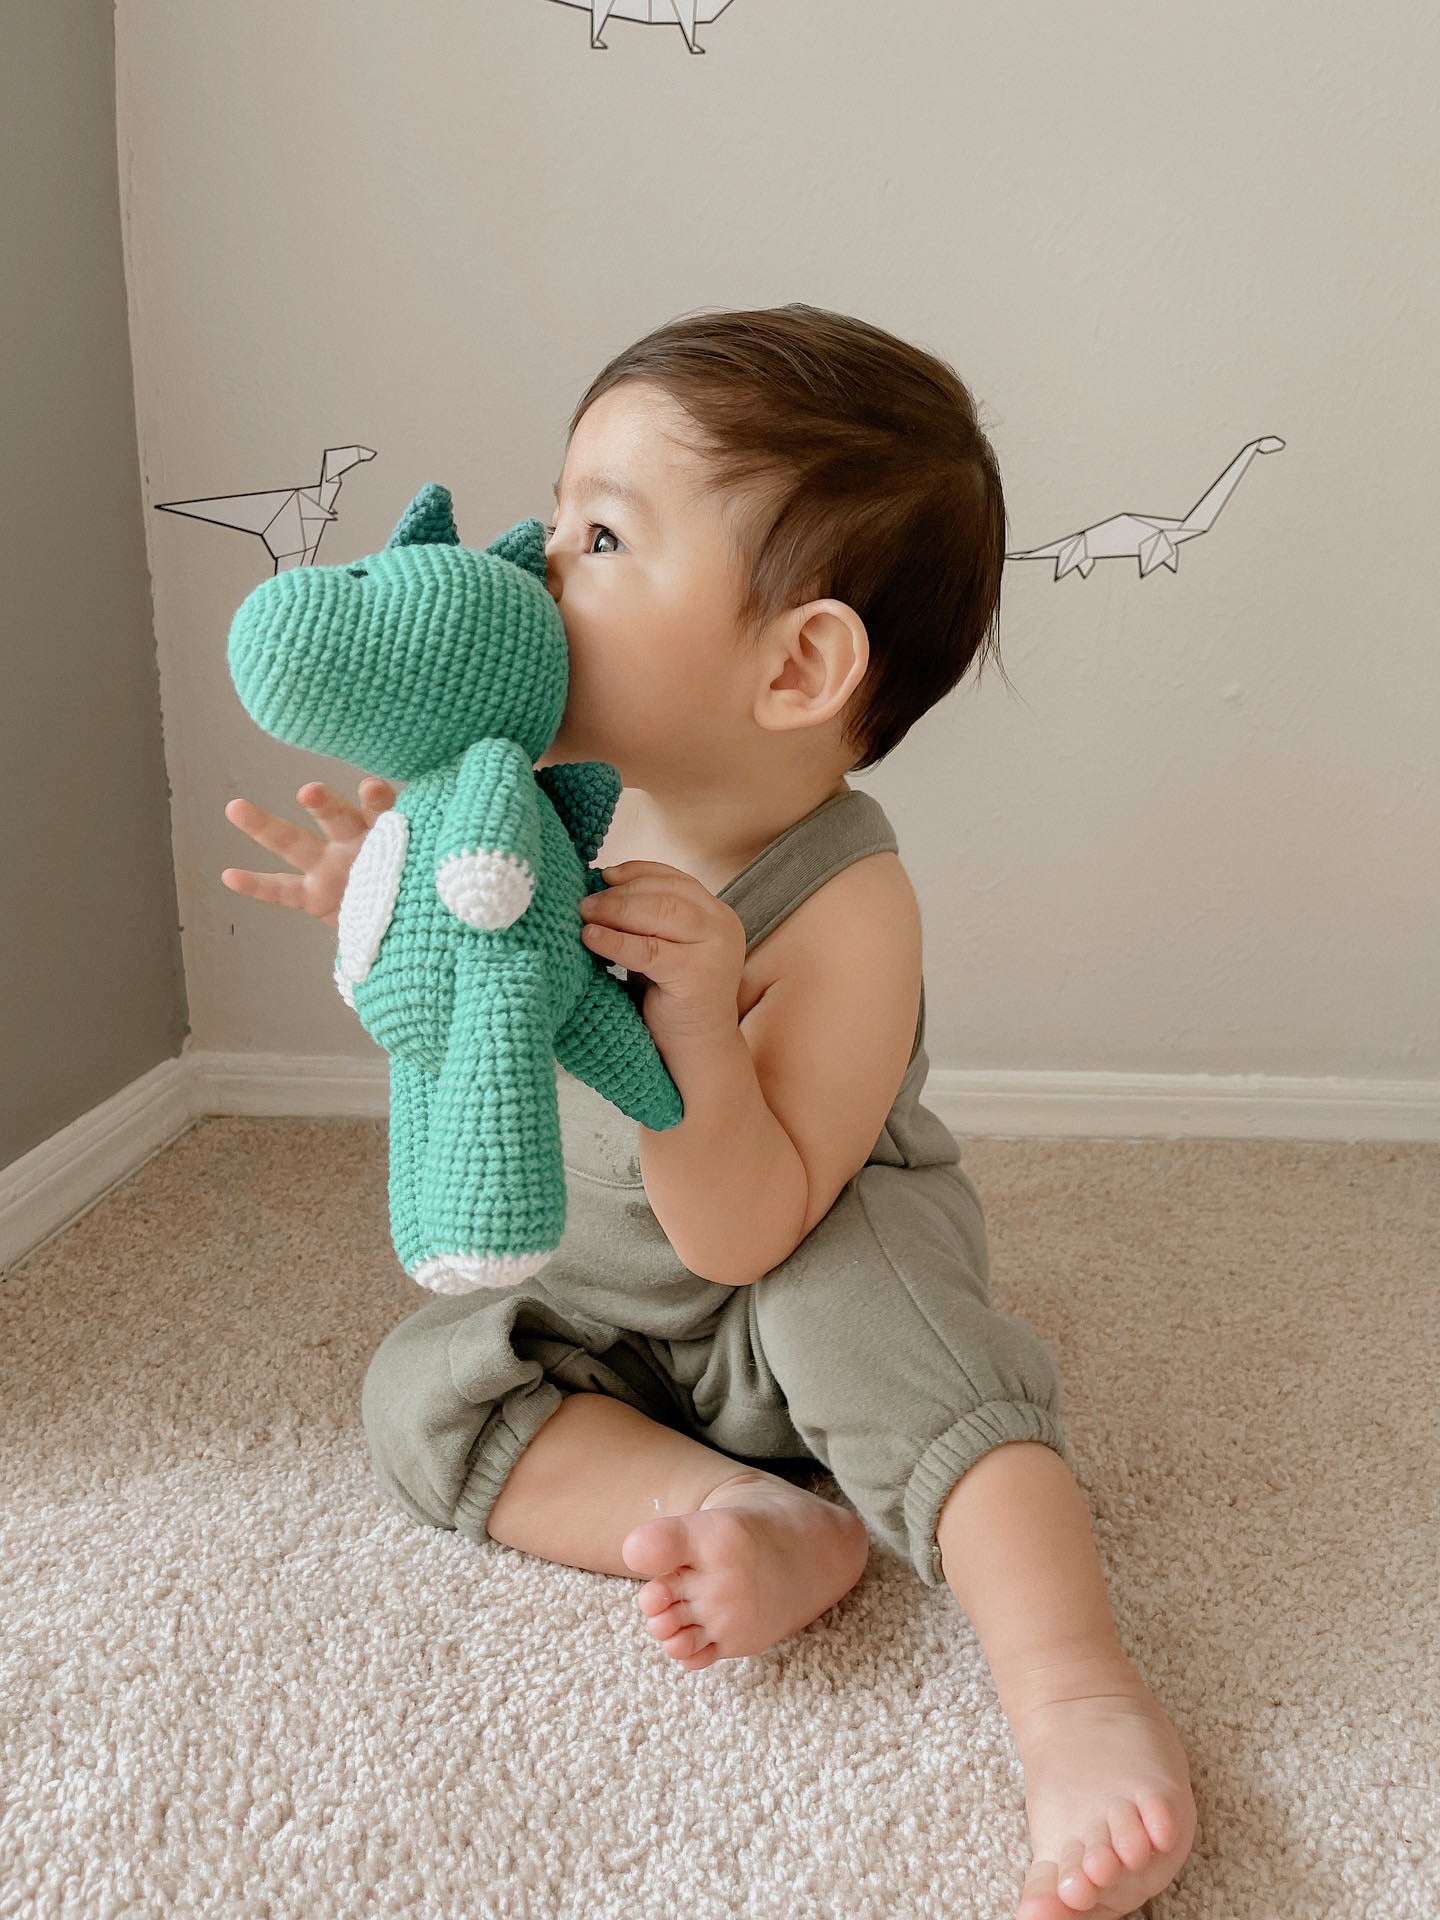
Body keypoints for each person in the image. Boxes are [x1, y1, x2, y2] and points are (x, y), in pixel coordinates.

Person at [221, 304, 1195, 1920]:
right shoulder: (532, 818)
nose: (533, 564)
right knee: (421, 1392)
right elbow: (478, 997)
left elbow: (754, 1218)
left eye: (601, 536)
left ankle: (1073, 1688)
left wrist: (700, 1037)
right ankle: (733, 1514)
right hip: (607, 1301)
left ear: (799, 662)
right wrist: (380, 900)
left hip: (780, 1285)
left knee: (893, 1339)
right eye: (560, 512)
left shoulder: (847, 902)